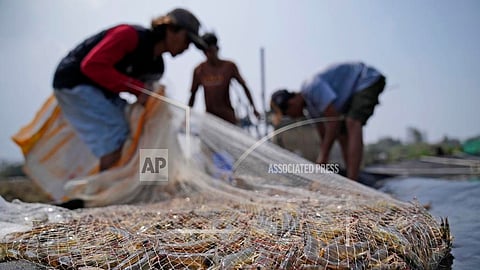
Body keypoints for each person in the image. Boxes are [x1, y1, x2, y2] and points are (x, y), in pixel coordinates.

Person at [52, 8, 207, 172]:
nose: (187, 47)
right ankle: (104, 192)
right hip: (74, 83)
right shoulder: (129, 36)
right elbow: (92, 66)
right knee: (117, 134)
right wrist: (139, 90)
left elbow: (143, 100)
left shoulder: (156, 67)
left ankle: (152, 180)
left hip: (103, 92)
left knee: (145, 129)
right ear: (171, 29)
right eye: (187, 40)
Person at [270, 62, 386, 181]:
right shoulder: (311, 110)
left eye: (288, 114)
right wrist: (323, 158)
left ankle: (354, 179)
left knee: (352, 122)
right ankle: (351, 179)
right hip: (351, 95)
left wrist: (323, 156)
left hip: (365, 79)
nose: (292, 117)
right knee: (342, 134)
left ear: (291, 103)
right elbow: (325, 136)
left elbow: (333, 120)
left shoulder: (311, 87)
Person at [188, 33, 260, 125]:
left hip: (228, 119)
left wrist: (253, 108)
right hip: (210, 120)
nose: (208, 54)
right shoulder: (199, 70)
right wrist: (187, 116)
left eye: (210, 50)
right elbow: (193, 95)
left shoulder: (229, 66)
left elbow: (244, 87)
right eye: (205, 51)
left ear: (217, 49)